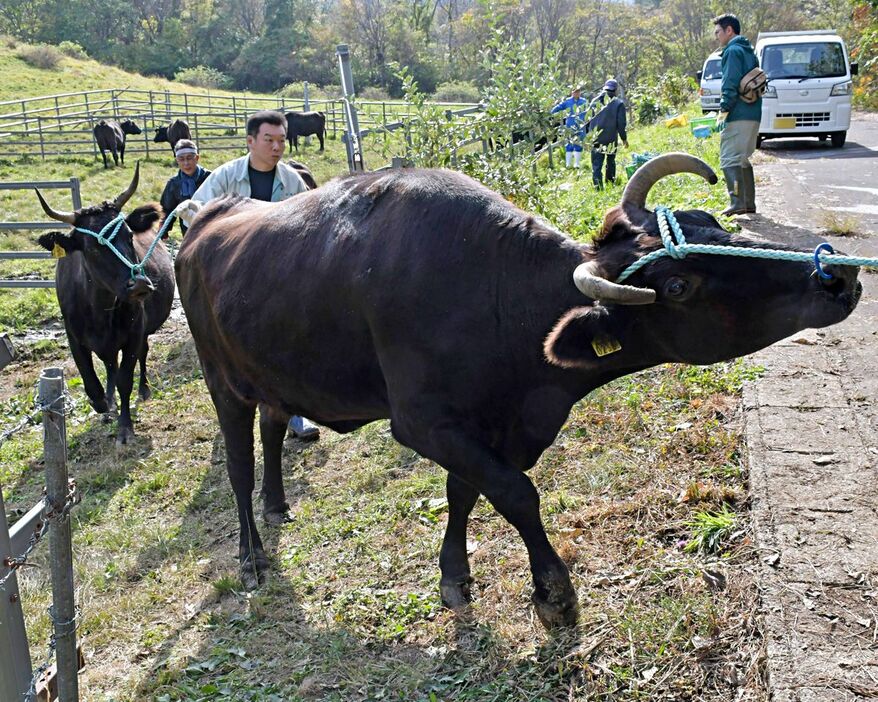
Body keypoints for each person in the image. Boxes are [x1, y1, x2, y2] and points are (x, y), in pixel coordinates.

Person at [190, 110, 320, 441]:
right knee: (237, 350)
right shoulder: (224, 179)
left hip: (281, 281)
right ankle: (236, 412)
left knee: (290, 345)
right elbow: (195, 214)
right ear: (250, 141)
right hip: (234, 279)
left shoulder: (292, 181)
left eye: (281, 140)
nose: (277, 147)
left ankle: (293, 413)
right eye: (269, 140)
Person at [713, 13, 762, 216]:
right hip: (753, 113)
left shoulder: (732, 51)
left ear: (729, 30)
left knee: (729, 158)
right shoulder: (749, 51)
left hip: (738, 114)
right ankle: (747, 203)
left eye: (718, 32)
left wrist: (723, 111)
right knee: (742, 158)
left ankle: (736, 202)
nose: (716, 36)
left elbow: (730, 84)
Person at [160, 139, 211, 236]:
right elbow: (167, 209)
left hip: (211, 227)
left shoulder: (210, 178)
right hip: (188, 232)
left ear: (197, 158)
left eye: (189, 158)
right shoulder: (174, 183)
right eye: (181, 159)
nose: (186, 163)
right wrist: (163, 230)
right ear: (177, 161)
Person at [584, 79, 629, 189]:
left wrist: (587, 136)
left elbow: (586, 120)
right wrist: (624, 139)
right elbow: (621, 124)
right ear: (615, 90)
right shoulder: (618, 103)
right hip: (610, 138)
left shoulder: (594, 101)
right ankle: (610, 183)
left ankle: (598, 188)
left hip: (595, 138)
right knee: (610, 161)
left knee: (596, 165)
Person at [550, 87, 588, 168]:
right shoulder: (567, 101)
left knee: (579, 144)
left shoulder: (584, 101)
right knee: (569, 144)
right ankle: (568, 164)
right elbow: (558, 107)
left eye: (578, 91)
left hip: (580, 126)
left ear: (580, 92)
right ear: (572, 92)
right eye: (575, 92)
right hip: (569, 126)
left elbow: (589, 110)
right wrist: (550, 113)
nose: (576, 93)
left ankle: (576, 164)